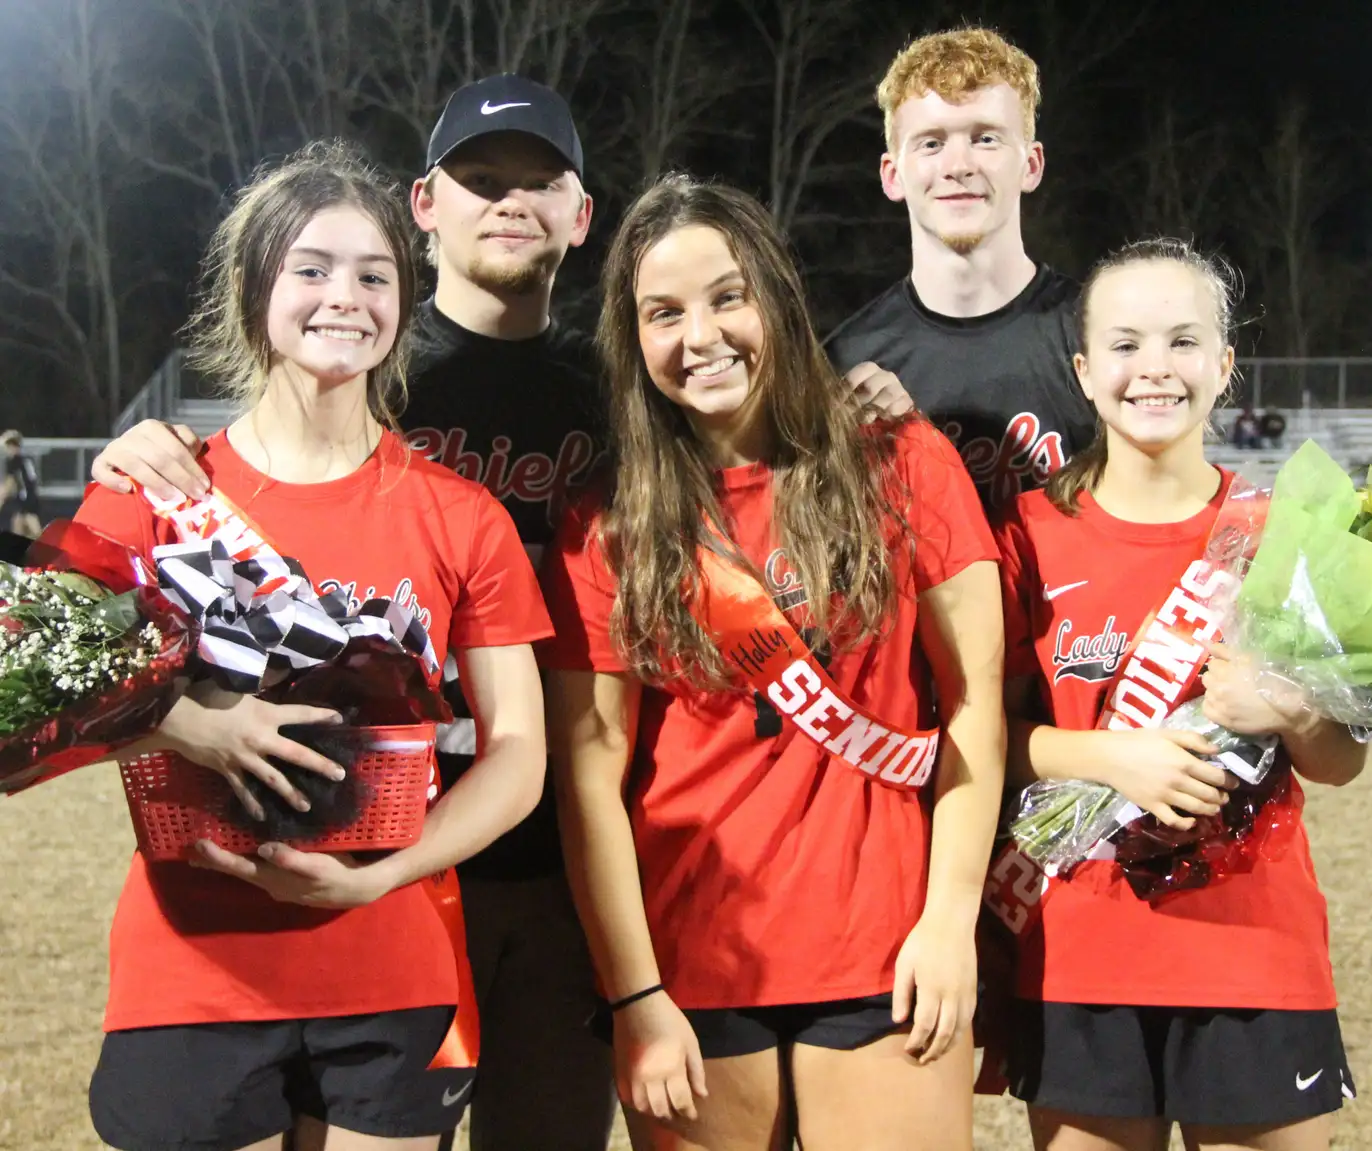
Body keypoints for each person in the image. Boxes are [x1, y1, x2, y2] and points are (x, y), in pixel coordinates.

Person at [89, 74, 911, 1151]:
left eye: (540, 182)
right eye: (480, 180)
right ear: (426, 204)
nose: (509, 201)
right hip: (362, 844)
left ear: (582, 215)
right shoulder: (360, 360)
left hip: (560, 854)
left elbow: (750, 438)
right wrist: (140, 464)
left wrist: (853, 397)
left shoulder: (627, 388)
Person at [91, 75, 620, 1151]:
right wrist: (192, 720)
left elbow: (522, 745)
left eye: (370, 275)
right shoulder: (166, 489)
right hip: (201, 950)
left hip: (428, 925)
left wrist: (393, 866)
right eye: (312, 268)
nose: (345, 296)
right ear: (253, 288)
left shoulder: (485, 490)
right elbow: (46, 689)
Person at [539, 175, 1005, 1150]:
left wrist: (950, 919)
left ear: (777, 300)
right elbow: (592, 770)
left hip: (886, 952)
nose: (700, 334)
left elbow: (974, 705)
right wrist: (635, 992)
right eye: (663, 313)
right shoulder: (606, 518)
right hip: (692, 966)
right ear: (634, 340)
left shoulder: (902, 461)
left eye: (727, 296)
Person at [990, 238, 1365, 1151]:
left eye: (1183, 341)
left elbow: (1342, 759)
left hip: (1256, 952)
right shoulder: (1026, 535)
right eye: (1124, 344)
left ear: (1226, 365)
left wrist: (1292, 708)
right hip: (1080, 948)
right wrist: (1116, 756)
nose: (1153, 368)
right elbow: (980, 734)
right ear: (1083, 371)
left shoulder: (1280, 533)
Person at [826, 28, 1097, 509]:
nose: (958, 165)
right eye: (930, 144)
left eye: (985, 138)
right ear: (893, 175)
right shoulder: (845, 365)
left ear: (1031, 165)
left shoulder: (1097, 336)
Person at [1, 429, 43, 537]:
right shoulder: (26, 459)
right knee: (16, 523)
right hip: (30, 496)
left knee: (35, 529)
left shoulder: (14, 461)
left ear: (12, 446)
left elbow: (8, 485)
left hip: (26, 498)